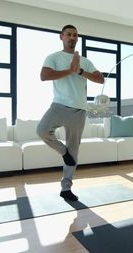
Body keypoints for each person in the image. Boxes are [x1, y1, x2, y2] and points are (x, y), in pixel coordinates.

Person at [36, 24, 104, 201]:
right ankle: (62, 151)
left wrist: (80, 70)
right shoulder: (54, 57)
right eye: (69, 34)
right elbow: (44, 76)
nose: (72, 37)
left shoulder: (85, 61)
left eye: (75, 35)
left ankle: (66, 188)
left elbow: (100, 78)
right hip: (58, 105)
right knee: (42, 130)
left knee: (74, 150)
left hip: (79, 109)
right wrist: (69, 70)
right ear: (62, 37)